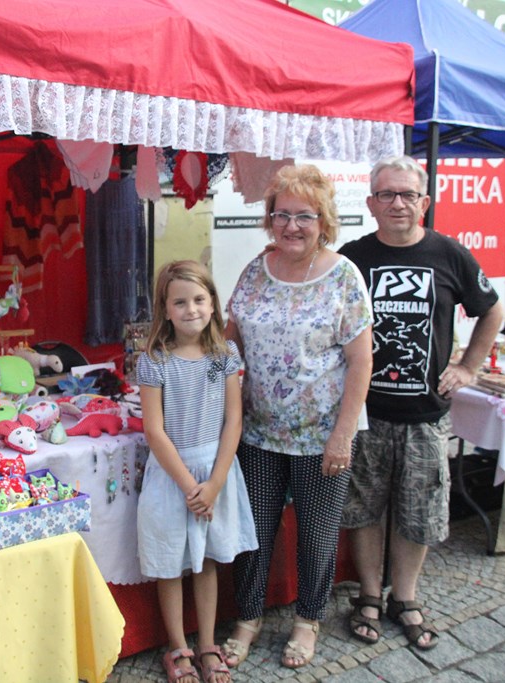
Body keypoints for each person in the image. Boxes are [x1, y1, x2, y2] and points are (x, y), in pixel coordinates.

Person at [339, 155, 504, 651]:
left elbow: (492, 311)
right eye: (387, 194)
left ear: (425, 202)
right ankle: (368, 594)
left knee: (419, 511)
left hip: (426, 417)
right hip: (365, 414)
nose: (397, 204)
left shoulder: (450, 255)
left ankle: (405, 598)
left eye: (408, 194)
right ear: (370, 203)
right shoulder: (352, 258)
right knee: (365, 509)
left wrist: (468, 367)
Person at [223, 164, 373, 669]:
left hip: (322, 437)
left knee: (316, 533)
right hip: (259, 432)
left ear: (323, 219)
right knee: (254, 532)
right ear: (269, 219)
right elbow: (230, 341)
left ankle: (308, 622)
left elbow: (360, 360)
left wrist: (343, 436)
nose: (291, 225)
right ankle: (248, 617)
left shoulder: (344, 277)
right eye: (281, 215)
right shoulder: (254, 271)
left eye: (303, 216)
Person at [136, 260, 258, 683]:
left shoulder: (224, 356)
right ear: (165, 309)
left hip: (214, 472)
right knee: (171, 563)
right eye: (180, 302)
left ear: (212, 304)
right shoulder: (155, 360)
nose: (191, 309)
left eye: (199, 299)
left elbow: (234, 421)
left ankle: (207, 642)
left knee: (206, 561)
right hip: (174, 477)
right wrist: (191, 487)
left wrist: (216, 482)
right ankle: (178, 646)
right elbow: (154, 430)